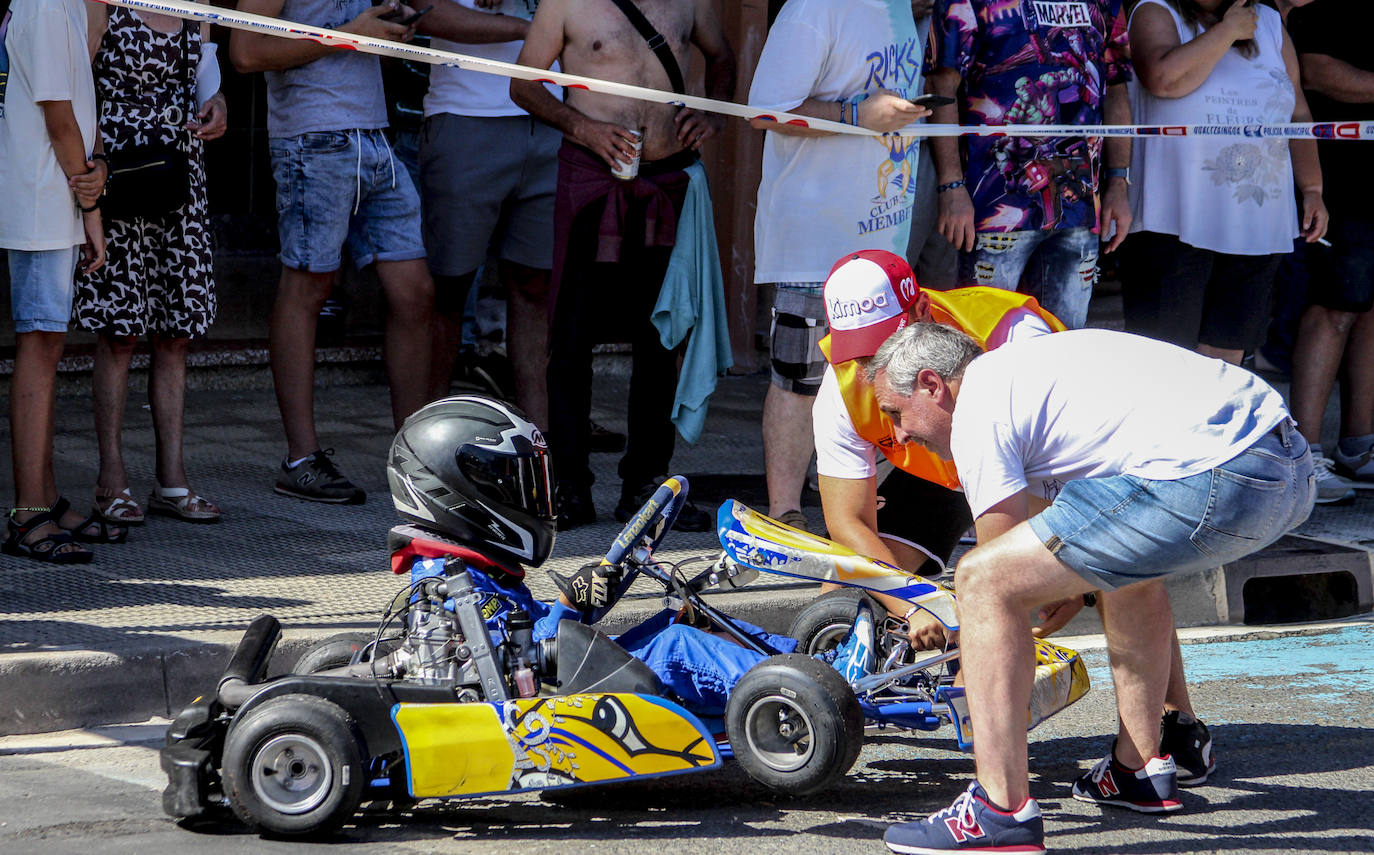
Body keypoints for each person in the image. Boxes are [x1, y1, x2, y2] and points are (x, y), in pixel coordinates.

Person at [870, 324, 1313, 853]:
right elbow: (1056, 548)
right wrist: (1065, 588)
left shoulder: (978, 406)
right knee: (1128, 572)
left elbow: (1002, 562)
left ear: (931, 384)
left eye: (896, 414)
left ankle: (998, 809)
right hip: (1289, 469)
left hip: (1220, 475)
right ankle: (1139, 767)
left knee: (980, 579)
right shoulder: (1030, 375)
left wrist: (983, 645)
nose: (899, 437)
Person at [816, 250, 1219, 785]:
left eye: (879, 348)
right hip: (938, 464)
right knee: (840, 592)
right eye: (855, 353)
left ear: (917, 316)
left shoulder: (1014, 333)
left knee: (1120, 570)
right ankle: (823, 718)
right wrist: (915, 604)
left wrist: (1070, 574)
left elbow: (1079, 475)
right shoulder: (844, 385)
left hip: (1037, 463)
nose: (867, 370)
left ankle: (1173, 724)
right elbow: (848, 525)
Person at [386, 394, 877, 718]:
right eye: (513, 483)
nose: (533, 497)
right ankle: (812, 692)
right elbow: (514, 661)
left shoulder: (466, 568)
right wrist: (570, 606)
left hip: (558, 677)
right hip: (542, 704)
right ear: (454, 491)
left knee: (675, 622)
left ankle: (813, 666)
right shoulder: (449, 581)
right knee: (675, 646)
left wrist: (590, 594)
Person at [510, 0, 734, 532]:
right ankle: (567, 486)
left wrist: (713, 110)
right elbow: (523, 84)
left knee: (662, 339)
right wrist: (584, 128)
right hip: (591, 175)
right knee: (570, 339)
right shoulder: (565, 3)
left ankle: (645, 484)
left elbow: (721, 57)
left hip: (670, 178)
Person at [230, 0, 435, 504]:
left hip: (373, 135)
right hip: (310, 137)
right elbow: (246, 51)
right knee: (307, 286)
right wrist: (348, 34)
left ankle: (415, 455)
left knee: (415, 293)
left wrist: (386, 33)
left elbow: (358, 45)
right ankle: (301, 459)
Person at [748, 0, 930, 531]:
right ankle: (785, 515)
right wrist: (855, 115)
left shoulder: (900, 9)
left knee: (878, 375)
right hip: (817, 236)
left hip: (883, 227)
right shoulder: (815, 8)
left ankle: (856, 516)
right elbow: (765, 109)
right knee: (799, 376)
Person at [75, 0, 228, 526]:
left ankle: (173, 480)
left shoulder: (194, 6)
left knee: (176, 331)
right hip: (118, 170)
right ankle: (110, 479)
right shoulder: (104, 3)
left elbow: (205, 73)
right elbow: (75, 84)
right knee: (119, 333)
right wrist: (88, 171)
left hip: (179, 174)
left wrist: (217, 104)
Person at [1121, 0, 1328, 367]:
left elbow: (1297, 111)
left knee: (1227, 358)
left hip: (1257, 219)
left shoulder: (1267, 21)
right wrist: (1228, 30)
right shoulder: (1155, 10)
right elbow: (1165, 80)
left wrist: (1312, 188)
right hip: (1175, 219)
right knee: (1165, 359)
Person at [925, 0, 1134, 330]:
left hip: (1079, 208)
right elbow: (941, 85)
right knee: (984, 344)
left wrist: (1118, 183)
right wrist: (951, 185)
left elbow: (1117, 89)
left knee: (1066, 345)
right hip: (994, 207)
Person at [1, 0, 110, 563]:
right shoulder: (43, 4)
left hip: (57, 196)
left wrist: (88, 197)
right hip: (42, 199)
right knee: (40, 342)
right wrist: (87, 190)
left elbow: (75, 83)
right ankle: (27, 514)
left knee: (48, 342)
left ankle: (43, 497)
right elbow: (58, 112)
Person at [416, 0, 556, 428]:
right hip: (464, 117)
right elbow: (425, 12)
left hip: (554, 116)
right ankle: (427, 437)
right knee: (447, 291)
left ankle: (539, 439)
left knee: (535, 288)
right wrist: (530, 28)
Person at [1284, 0, 1374, 499]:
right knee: (1333, 309)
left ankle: (1359, 446)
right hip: (1341, 181)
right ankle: (1305, 457)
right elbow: (1315, 73)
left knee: (1369, 310)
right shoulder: (1327, 10)